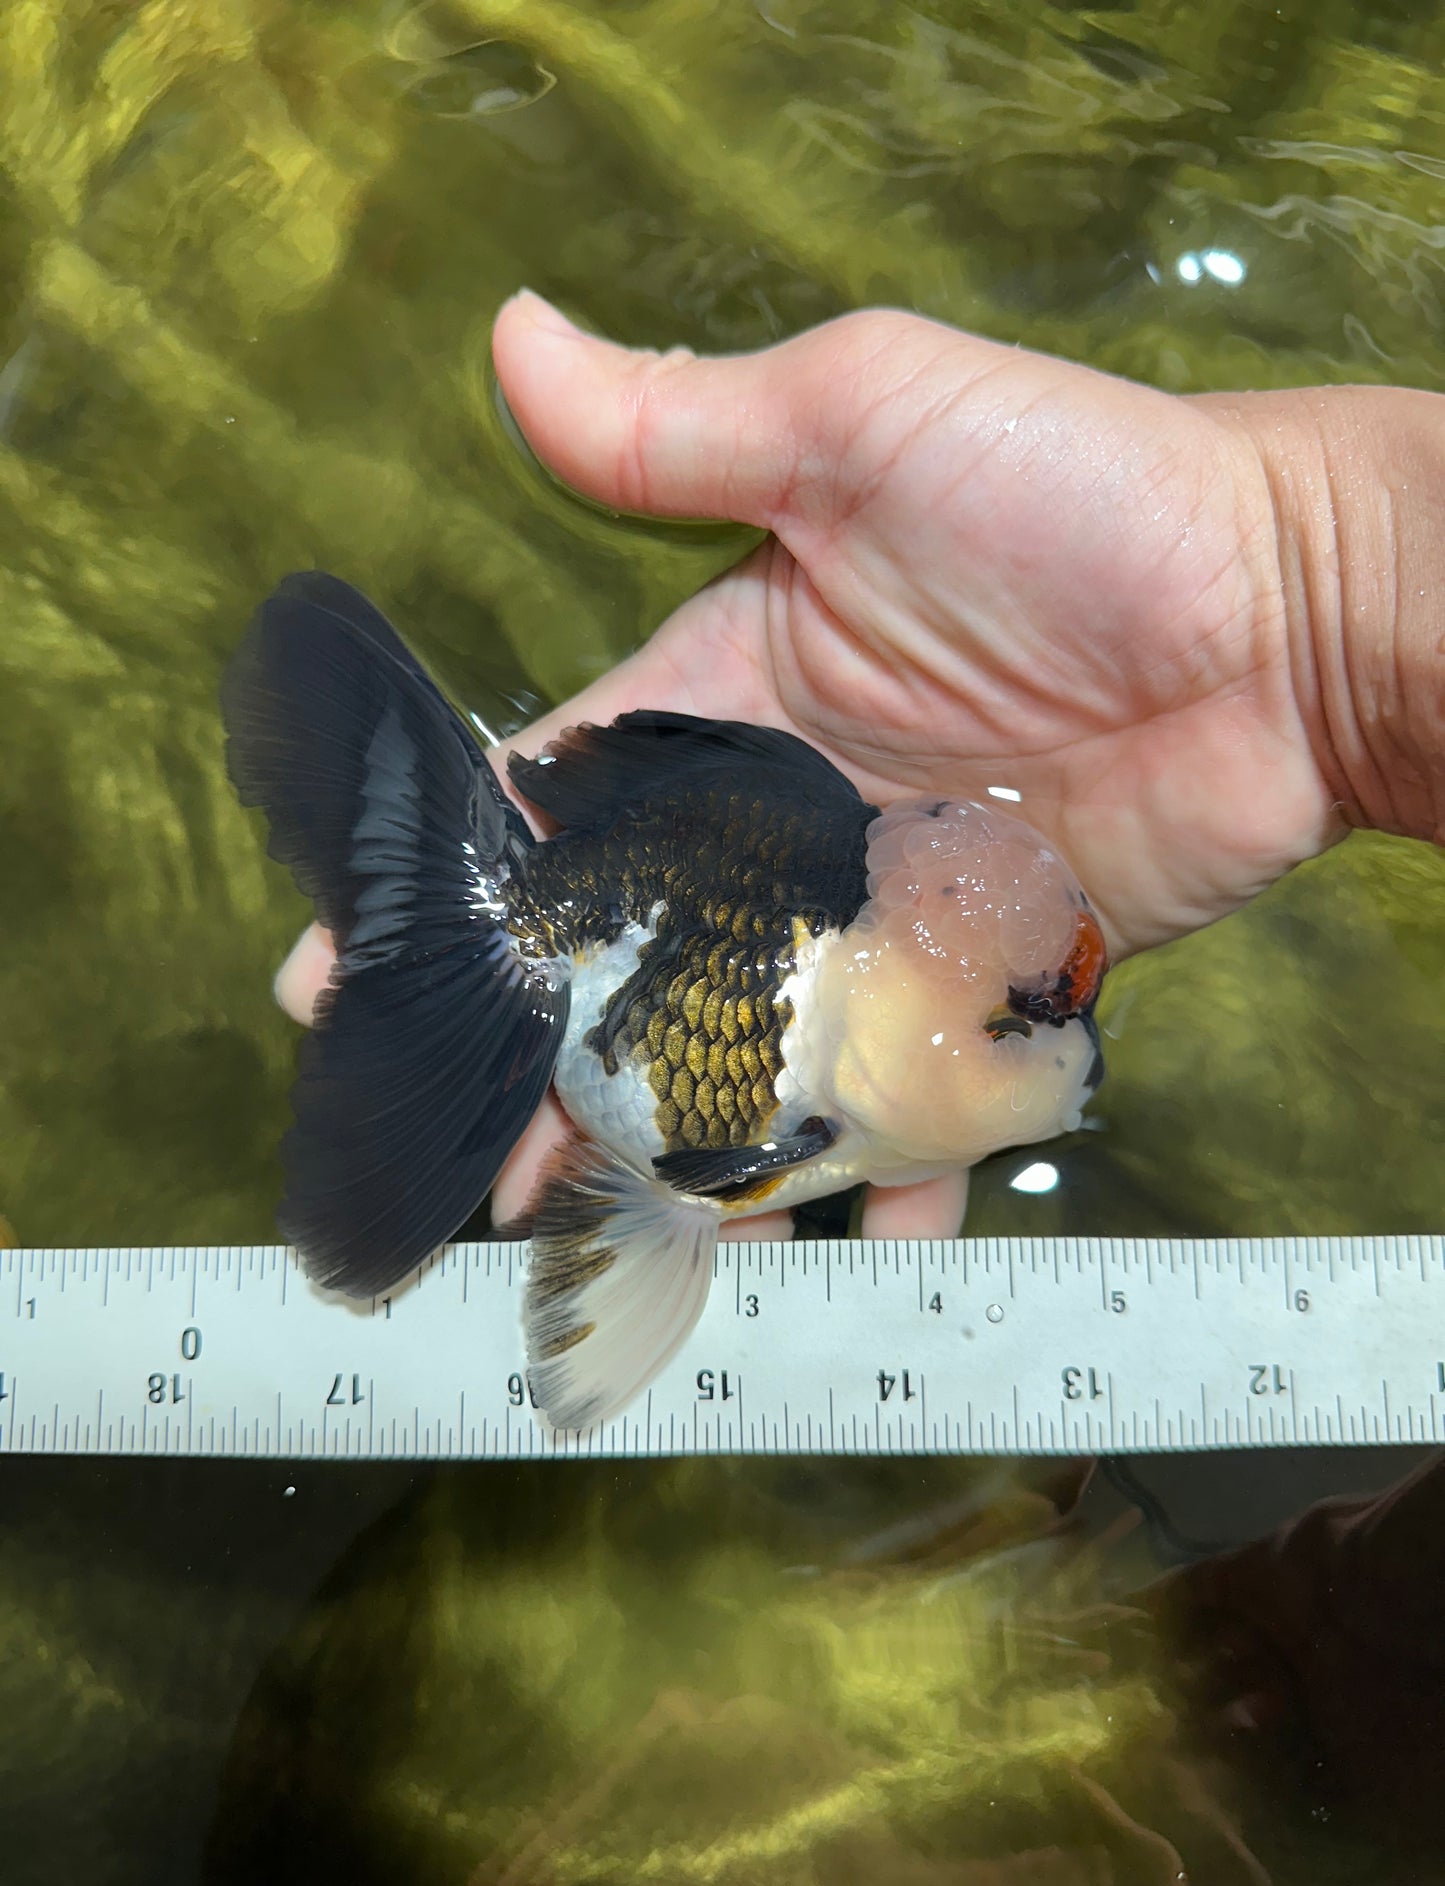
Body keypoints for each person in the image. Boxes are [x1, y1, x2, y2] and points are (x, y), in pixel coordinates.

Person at [271, 293, 1445, 1240]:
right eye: (1009, 1026)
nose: (1057, 1050)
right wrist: (1306, 606)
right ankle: (459, 942)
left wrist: (1307, 604)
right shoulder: (830, 1048)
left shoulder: (880, 1021)